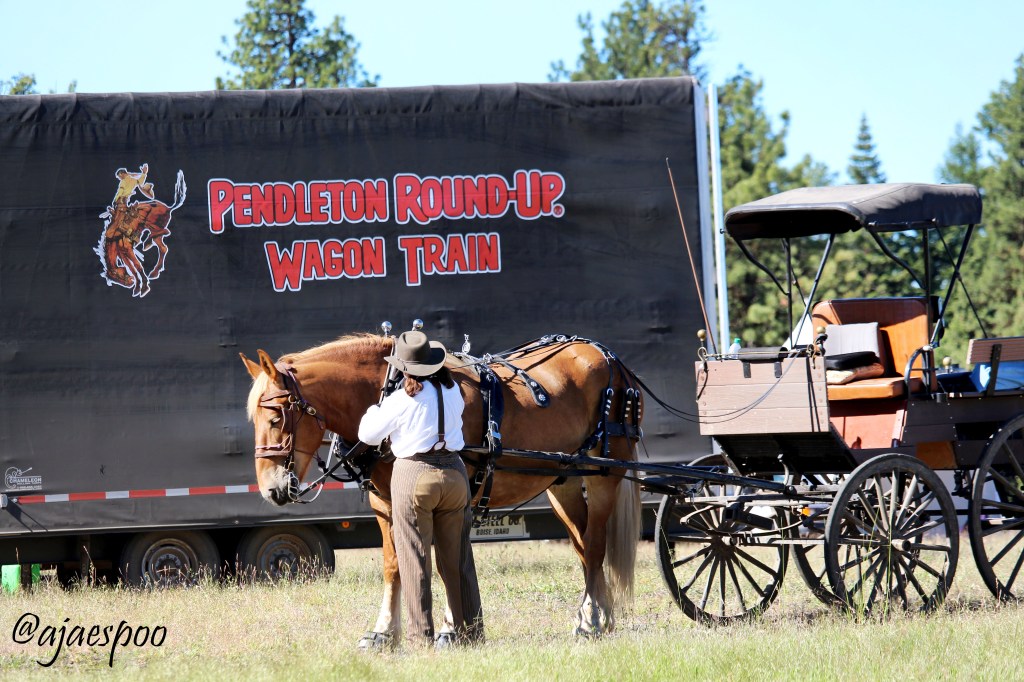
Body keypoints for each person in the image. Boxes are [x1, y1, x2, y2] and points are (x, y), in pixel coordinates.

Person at [357, 330, 484, 649]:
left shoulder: (401, 398)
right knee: (458, 559)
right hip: (454, 474)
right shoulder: (453, 390)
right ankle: (470, 634)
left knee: (414, 559)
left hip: (414, 475)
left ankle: (420, 639)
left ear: (404, 368)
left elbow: (368, 434)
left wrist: (377, 407)